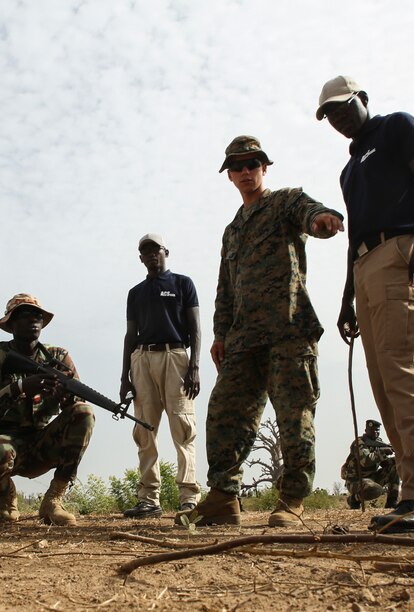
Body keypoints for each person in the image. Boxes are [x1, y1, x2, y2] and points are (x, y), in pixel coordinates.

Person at [175, 136, 345, 528]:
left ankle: (292, 500)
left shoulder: (284, 202)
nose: (247, 172)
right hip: (242, 340)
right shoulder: (232, 230)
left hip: (289, 332)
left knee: (294, 417)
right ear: (230, 175)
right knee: (224, 414)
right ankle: (223, 497)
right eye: (238, 166)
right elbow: (225, 287)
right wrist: (219, 335)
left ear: (264, 168)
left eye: (253, 164)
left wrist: (321, 219)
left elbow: (309, 211)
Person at [316, 75, 414, 533]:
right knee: (383, 384)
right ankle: (410, 493)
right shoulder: (349, 171)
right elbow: (353, 235)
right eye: (330, 115)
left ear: (364, 99)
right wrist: (346, 298)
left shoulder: (398, 127)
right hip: (364, 267)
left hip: (401, 252)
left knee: (405, 374)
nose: (338, 118)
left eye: (343, 107)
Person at [0, 294, 96, 526]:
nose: (34, 320)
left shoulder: (58, 357)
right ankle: (5, 495)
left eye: (37, 315)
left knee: (84, 413)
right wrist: (18, 388)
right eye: (25, 315)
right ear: (11, 324)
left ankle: (53, 500)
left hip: (41, 442)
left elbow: (75, 408)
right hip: (4, 440)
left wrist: (63, 397)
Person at [119, 234, 202, 519]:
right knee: (145, 430)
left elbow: (196, 328)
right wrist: (124, 377)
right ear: (140, 258)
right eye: (146, 251)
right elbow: (130, 334)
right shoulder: (136, 292)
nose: (152, 255)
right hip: (142, 359)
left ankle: (189, 498)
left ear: (166, 252)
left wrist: (195, 367)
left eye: (156, 250)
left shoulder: (183, 284)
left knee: (182, 426)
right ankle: (148, 499)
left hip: (176, 356)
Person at [341, 419, 400, 509]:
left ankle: (391, 502)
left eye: (377, 430)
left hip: (372, 478)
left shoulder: (379, 443)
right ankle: (353, 499)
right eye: (372, 430)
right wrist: (383, 452)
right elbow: (366, 461)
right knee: (374, 489)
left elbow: (385, 464)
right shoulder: (359, 443)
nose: (375, 432)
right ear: (366, 431)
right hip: (356, 481)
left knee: (395, 468)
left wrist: (399, 458)